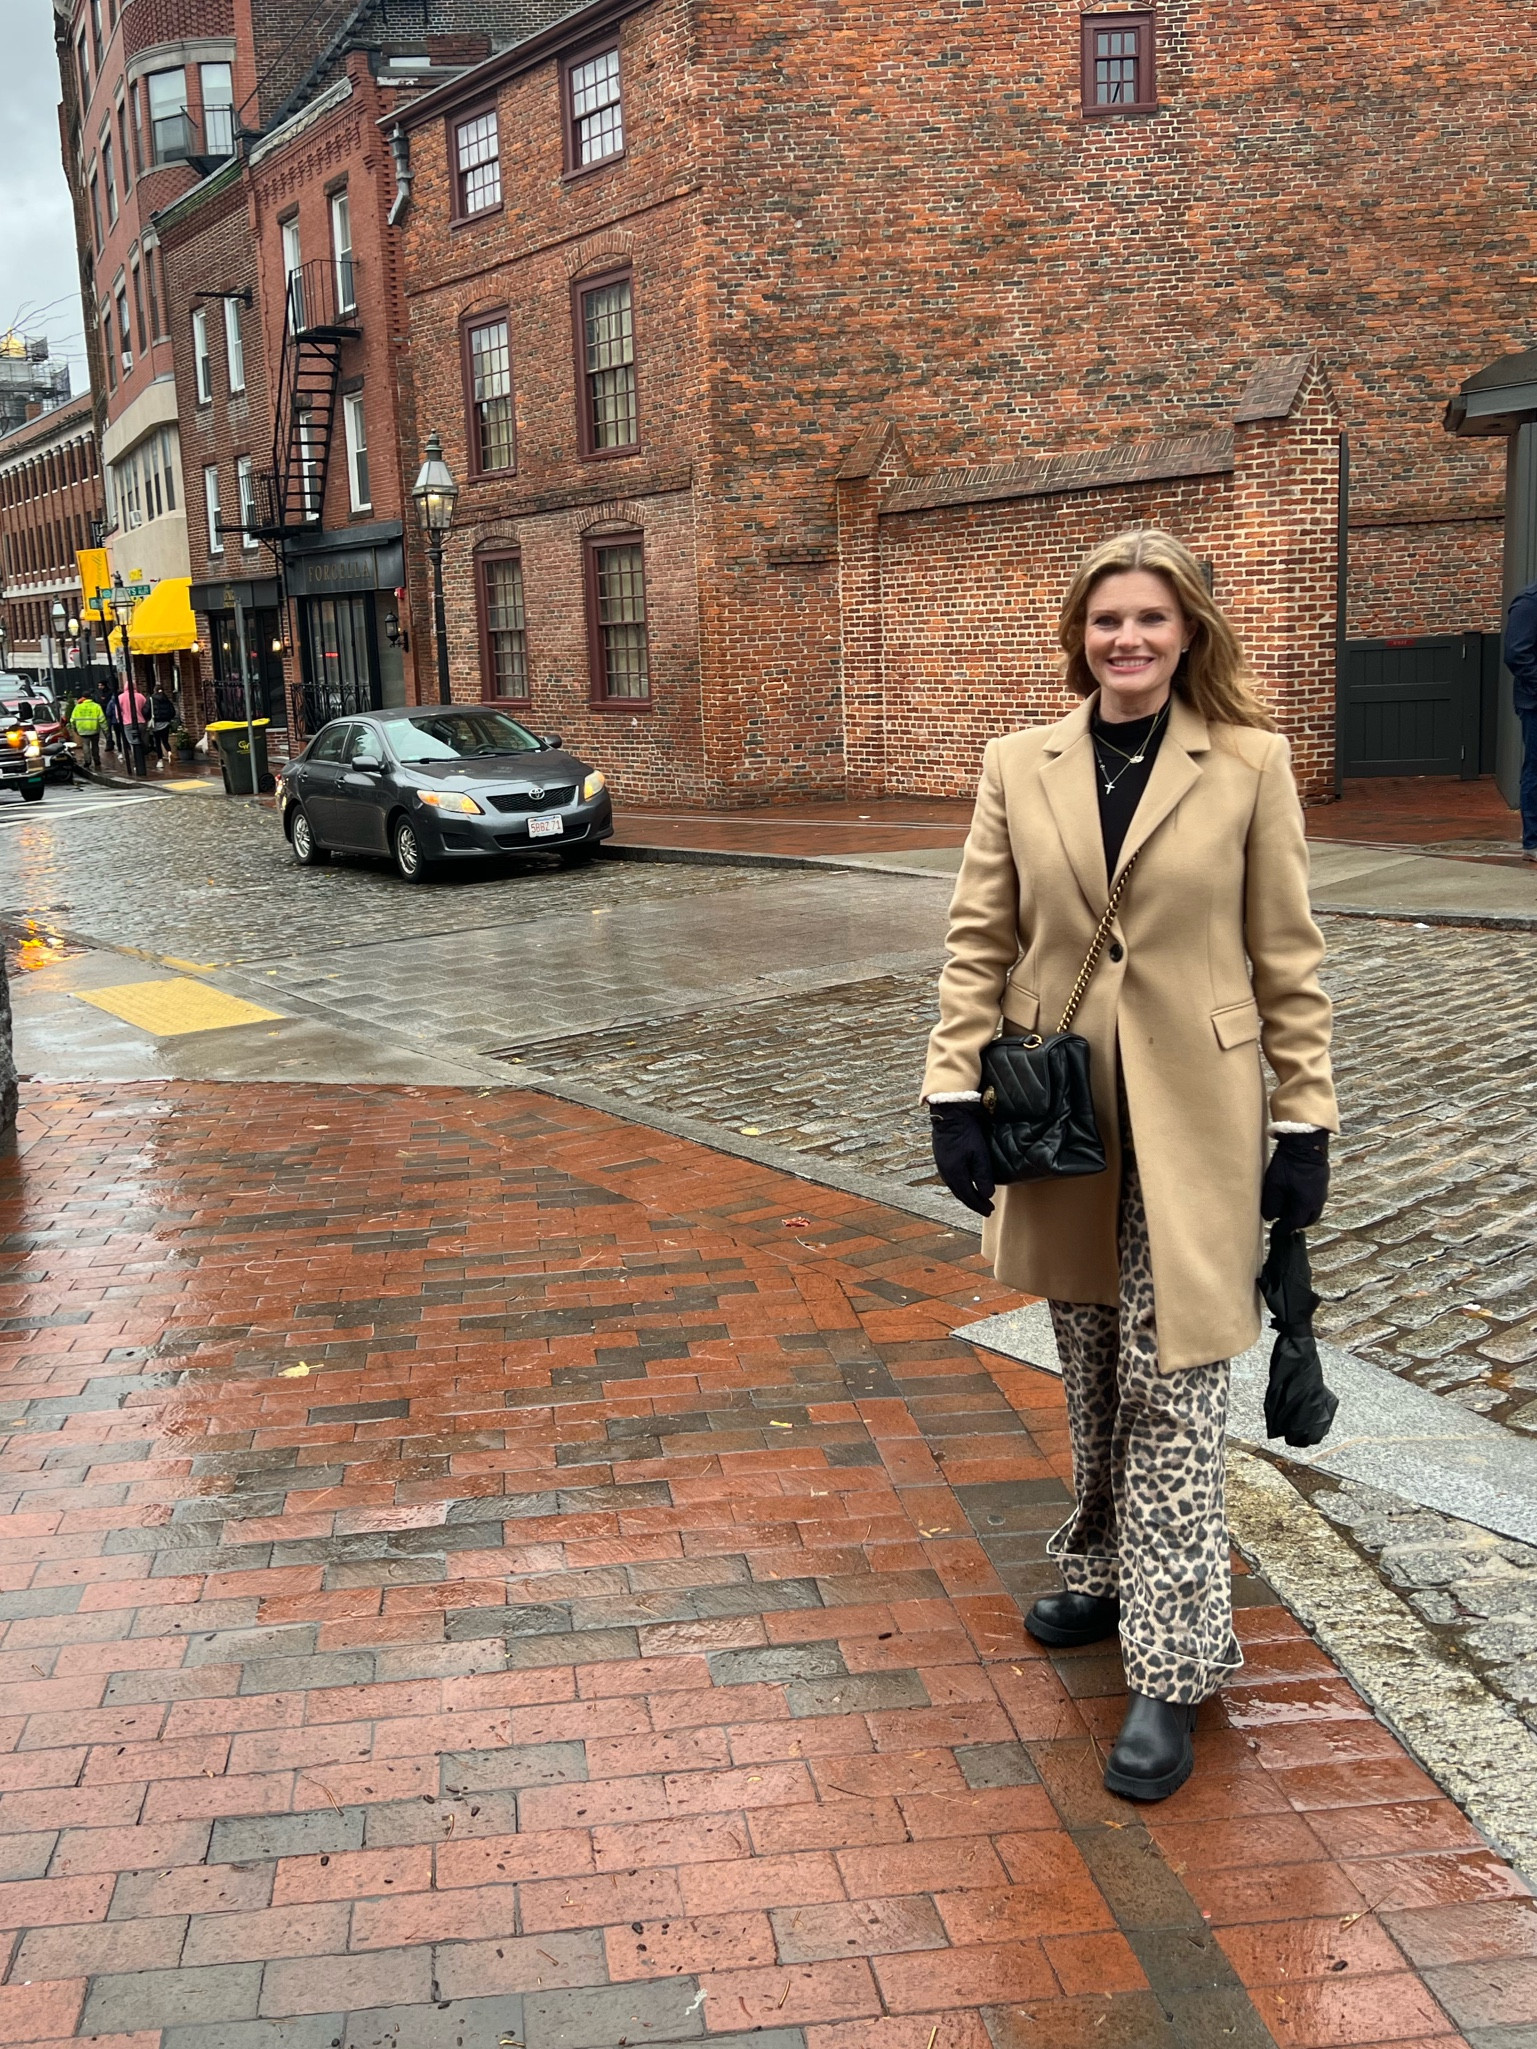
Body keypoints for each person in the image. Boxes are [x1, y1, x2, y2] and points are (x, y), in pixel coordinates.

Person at [923, 527, 1337, 1803]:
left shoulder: (1251, 764)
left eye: (1152, 620)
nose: (1129, 641)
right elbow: (980, 936)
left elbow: (1288, 957)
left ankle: (1173, 1662)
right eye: (1107, 621)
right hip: (1060, 1116)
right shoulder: (1019, 763)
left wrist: (1304, 1121)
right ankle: (1101, 1569)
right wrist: (952, 1090)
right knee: (1094, 1362)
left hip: (1201, 1119)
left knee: (1177, 1383)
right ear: (1078, 636)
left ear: (1189, 632)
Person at [1504, 575, 1537, 860]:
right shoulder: (1529, 602)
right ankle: (1534, 842)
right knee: (1536, 770)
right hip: (1535, 704)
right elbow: (1516, 655)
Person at [69, 691, 105, 772]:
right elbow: (102, 719)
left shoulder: (78, 707)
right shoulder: (96, 706)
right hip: (94, 729)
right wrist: (105, 730)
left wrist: (74, 728)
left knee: (86, 745)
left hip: (83, 730)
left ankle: (87, 761)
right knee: (95, 746)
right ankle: (97, 760)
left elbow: (72, 720)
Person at [150, 688, 177, 762]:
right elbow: (172, 712)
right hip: (166, 724)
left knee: (157, 742)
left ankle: (160, 760)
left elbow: (146, 711)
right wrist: (168, 719)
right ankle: (169, 752)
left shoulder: (151, 700)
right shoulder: (166, 699)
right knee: (165, 741)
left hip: (156, 724)